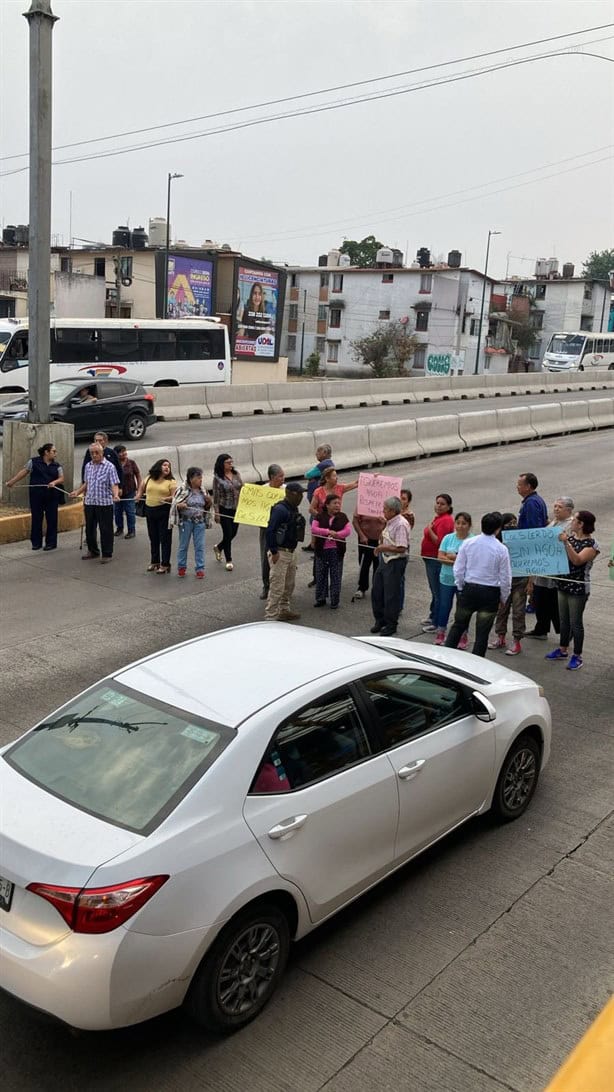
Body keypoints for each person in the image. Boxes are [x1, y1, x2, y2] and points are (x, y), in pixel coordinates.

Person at [444, 512, 512, 657]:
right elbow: (505, 577)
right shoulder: (501, 549)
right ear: (498, 529)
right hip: (490, 593)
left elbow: (458, 568)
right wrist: (503, 597)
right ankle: (476, 664)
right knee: (482, 633)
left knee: (458, 625)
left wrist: (461, 587)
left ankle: (446, 656)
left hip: (469, 588)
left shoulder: (468, 543)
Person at [545, 511, 600, 671]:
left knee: (576, 623)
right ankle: (563, 649)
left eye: (575, 520)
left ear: (581, 524)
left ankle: (577, 655)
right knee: (564, 620)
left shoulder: (591, 545)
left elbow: (577, 560)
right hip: (562, 585)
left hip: (578, 588)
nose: (572, 523)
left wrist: (566, 544)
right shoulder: (570, 538)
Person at [527, 497, 574, 640]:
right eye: (555, 506)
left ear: (569, 510)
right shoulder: (554, 522)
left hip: (556, 571)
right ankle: (541, 629)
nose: (556, 509)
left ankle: (565, 632)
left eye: (560, 507)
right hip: (543, 569)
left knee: (554, 603)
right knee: (540, 600)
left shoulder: (571, 525)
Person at [5, 442, 64, 552]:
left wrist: (54, 483)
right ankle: (36, 543)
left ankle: (51, 543)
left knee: (52, 519)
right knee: (37, 518)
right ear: (46, 452)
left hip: (51, 496)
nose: (56, 454)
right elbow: (24, 472)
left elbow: (61, 478)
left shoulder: (57, 466)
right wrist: (11, 482)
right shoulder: (33, 462)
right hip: (36, 495)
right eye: (54, 451)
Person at [70, 443, 120, 564]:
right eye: (92, 453)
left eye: (96, 453)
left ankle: (107, 553)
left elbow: (114, 484)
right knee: (89, 529)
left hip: (104, 503)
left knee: (105, 529)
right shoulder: (88, 466)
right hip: (90, 502)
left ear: (102, 453)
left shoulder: (109, 467)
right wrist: (77, 492)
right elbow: (86, 483)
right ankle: (93, 551)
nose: (94, 455)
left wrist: (116, 495)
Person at [264, 482, 306, 622]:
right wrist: (274, 551)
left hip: (291, 551)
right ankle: (271, 617)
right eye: (299, 494)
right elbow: (270, 531)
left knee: (289, 585)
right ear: (291, 494)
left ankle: (284, 610)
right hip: (280, 553)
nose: (301, 496)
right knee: (277, 586)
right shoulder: (280, 510)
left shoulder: (293, 508)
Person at [370, 497, 411, 637]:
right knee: (377, 591)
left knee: (391, 595)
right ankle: (379, 620)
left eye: (385, 509)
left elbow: (401, 547)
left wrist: (382, 547)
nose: (383, 511)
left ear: (393, 511)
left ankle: (391, 624)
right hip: (384, 560)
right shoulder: (389, 522)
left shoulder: (400, 524)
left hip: (395, 562)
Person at [435, 512, 473, 647]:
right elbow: (440, 556)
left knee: (462, 608)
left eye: (464, 523)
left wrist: (452, 557)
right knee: (444, 605)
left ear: (469, 526)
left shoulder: (472, 540)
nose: (460, 526)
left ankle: (463, 636)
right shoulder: (448, 538)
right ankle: (441, 632)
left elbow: (471, 562)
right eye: (458, 523)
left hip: (464, 580)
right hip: (446, 578)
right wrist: (457, 560)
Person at [420, 494, 455, 632]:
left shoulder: (445, 521)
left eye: (442, 504)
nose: (438, 506)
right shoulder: (438, 518)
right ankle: (433, 614)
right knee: (434, 591)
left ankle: (436, 622)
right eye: (437, 503)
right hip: (429, 559)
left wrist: (429, 530)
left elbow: (440, 542)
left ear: (448, 506)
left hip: (435, 560)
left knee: (437, 592)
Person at [135, 458, 176, 573]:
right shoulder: (149, 478)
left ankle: (165, 563)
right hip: (150, 511)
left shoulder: (171, 481)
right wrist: (138, 495)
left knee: (165, 539)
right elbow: (141, 488)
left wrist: (166, 498)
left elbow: (174, 497)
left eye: (168, 466)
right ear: (158, 466)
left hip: (164, 511)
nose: (167, 467)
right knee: (153, 537)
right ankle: (155, 561)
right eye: (164, 465)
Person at [170, 466, 212, 579]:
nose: (201, 480)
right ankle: (181, 567)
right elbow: (174, 505)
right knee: (183, 546)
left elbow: (207, 506)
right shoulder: (182, 490)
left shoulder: (203, 490)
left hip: (199, 522)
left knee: (200, 546)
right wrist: (180, 506)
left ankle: (200, 568)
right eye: (198, 477)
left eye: (201, 477)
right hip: (186, 522)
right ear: (191, 478)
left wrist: (208, 501)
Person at [312, 494, 352, 609]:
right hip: (322, 550)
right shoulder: (320, 516)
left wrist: (337, 535)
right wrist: (327, 532)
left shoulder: (343, 517)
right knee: (321, 575)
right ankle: (320, 598)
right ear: (327, 505)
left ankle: (335, 600)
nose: (337, 505)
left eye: (339, 503)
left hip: (337, 551)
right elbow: (314, 529)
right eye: (334, 503)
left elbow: (347, 531)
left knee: (336, 576)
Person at [212, 453, 243, 571]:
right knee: (227, 533)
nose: (231, 464)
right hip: (225, 508)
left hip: (237, 508)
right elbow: (216, 496)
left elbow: (242, 487)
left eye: (231, 462)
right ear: (222, 464)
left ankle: (219, 547)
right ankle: (229, 559)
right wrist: (217, 512)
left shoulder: (236, 474)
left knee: (233, 533)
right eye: (228, 462)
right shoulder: (218, 478)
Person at [259, 463, 285, 599]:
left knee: (282, 558)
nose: (283, 479)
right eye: (280, 476)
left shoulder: (285, 490)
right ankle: (266, 587)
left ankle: (281, 588)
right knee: (266, 558)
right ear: (272, 477)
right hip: (266, 529)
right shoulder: (262, 490)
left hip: (282, 530)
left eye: (283, 476)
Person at [303, 444, 334, 552]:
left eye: (318, 452)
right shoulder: (327, 464)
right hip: (317, 496)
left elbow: (307, 474)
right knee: (315, 520)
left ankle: (318, 546)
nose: (316, 454)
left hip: (318, 498)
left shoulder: (324, 464)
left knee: (316, 520)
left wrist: (311, 477)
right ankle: (313, 544)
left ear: (325, 453)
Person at [352, 507, 386, 599]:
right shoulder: (363, 501)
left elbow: (392, 521)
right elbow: (355, 521)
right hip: (365, 540)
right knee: (364, 564)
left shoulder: (386, 503)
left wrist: (385, 524)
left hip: (380, 540)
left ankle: (377, 589)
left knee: (378, 565)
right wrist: (362, 536)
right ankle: (362, 588)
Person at [113, 445, 141, 540]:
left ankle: (131, 530)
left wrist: (139, 487)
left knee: (130, 511)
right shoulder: (113, 464)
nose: (123, 453)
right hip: (117, 493)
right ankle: (119, 528)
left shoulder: (131, 463)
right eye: (121, 452)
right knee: (117, 511)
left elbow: (138, 474)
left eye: (124, 451)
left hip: (130, 491)